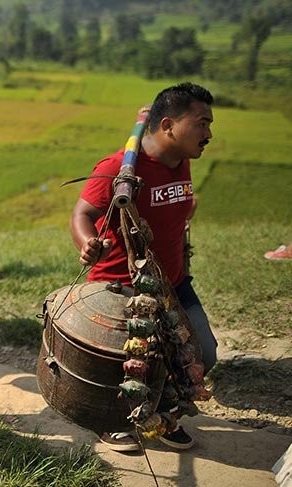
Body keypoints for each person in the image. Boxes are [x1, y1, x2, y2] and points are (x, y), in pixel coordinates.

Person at [70, 82, 217, 452]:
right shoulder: (119, 169)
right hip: (123, 286)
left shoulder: (182, 160)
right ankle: (113, 422)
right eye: (201, 124)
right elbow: (83, 214)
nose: (209, 134)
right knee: (126, 364)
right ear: (168, 126)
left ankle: (162, 417)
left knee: (202, 354)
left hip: (173, 284)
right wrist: (88, 242)